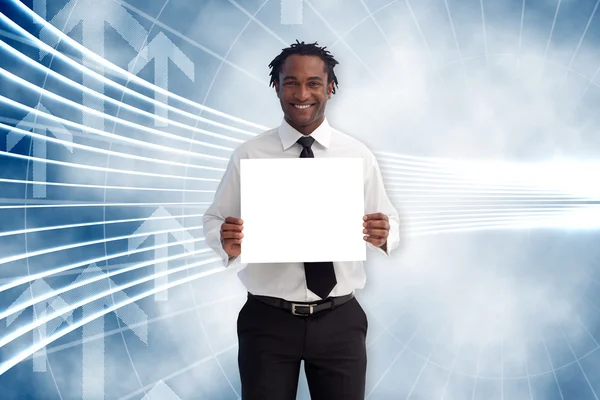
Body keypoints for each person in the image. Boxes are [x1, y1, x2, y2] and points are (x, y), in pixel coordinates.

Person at [203, 40, 400, 400]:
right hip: (267, 320)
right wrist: (224, 239)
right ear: (276, 87)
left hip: (340, 318)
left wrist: (384, 232)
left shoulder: (357, 154)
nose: (302, 93)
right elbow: (216, 218)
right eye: (290, 82)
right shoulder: (249, 154)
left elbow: (388, 218)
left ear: (331, 88)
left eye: (313, 83)